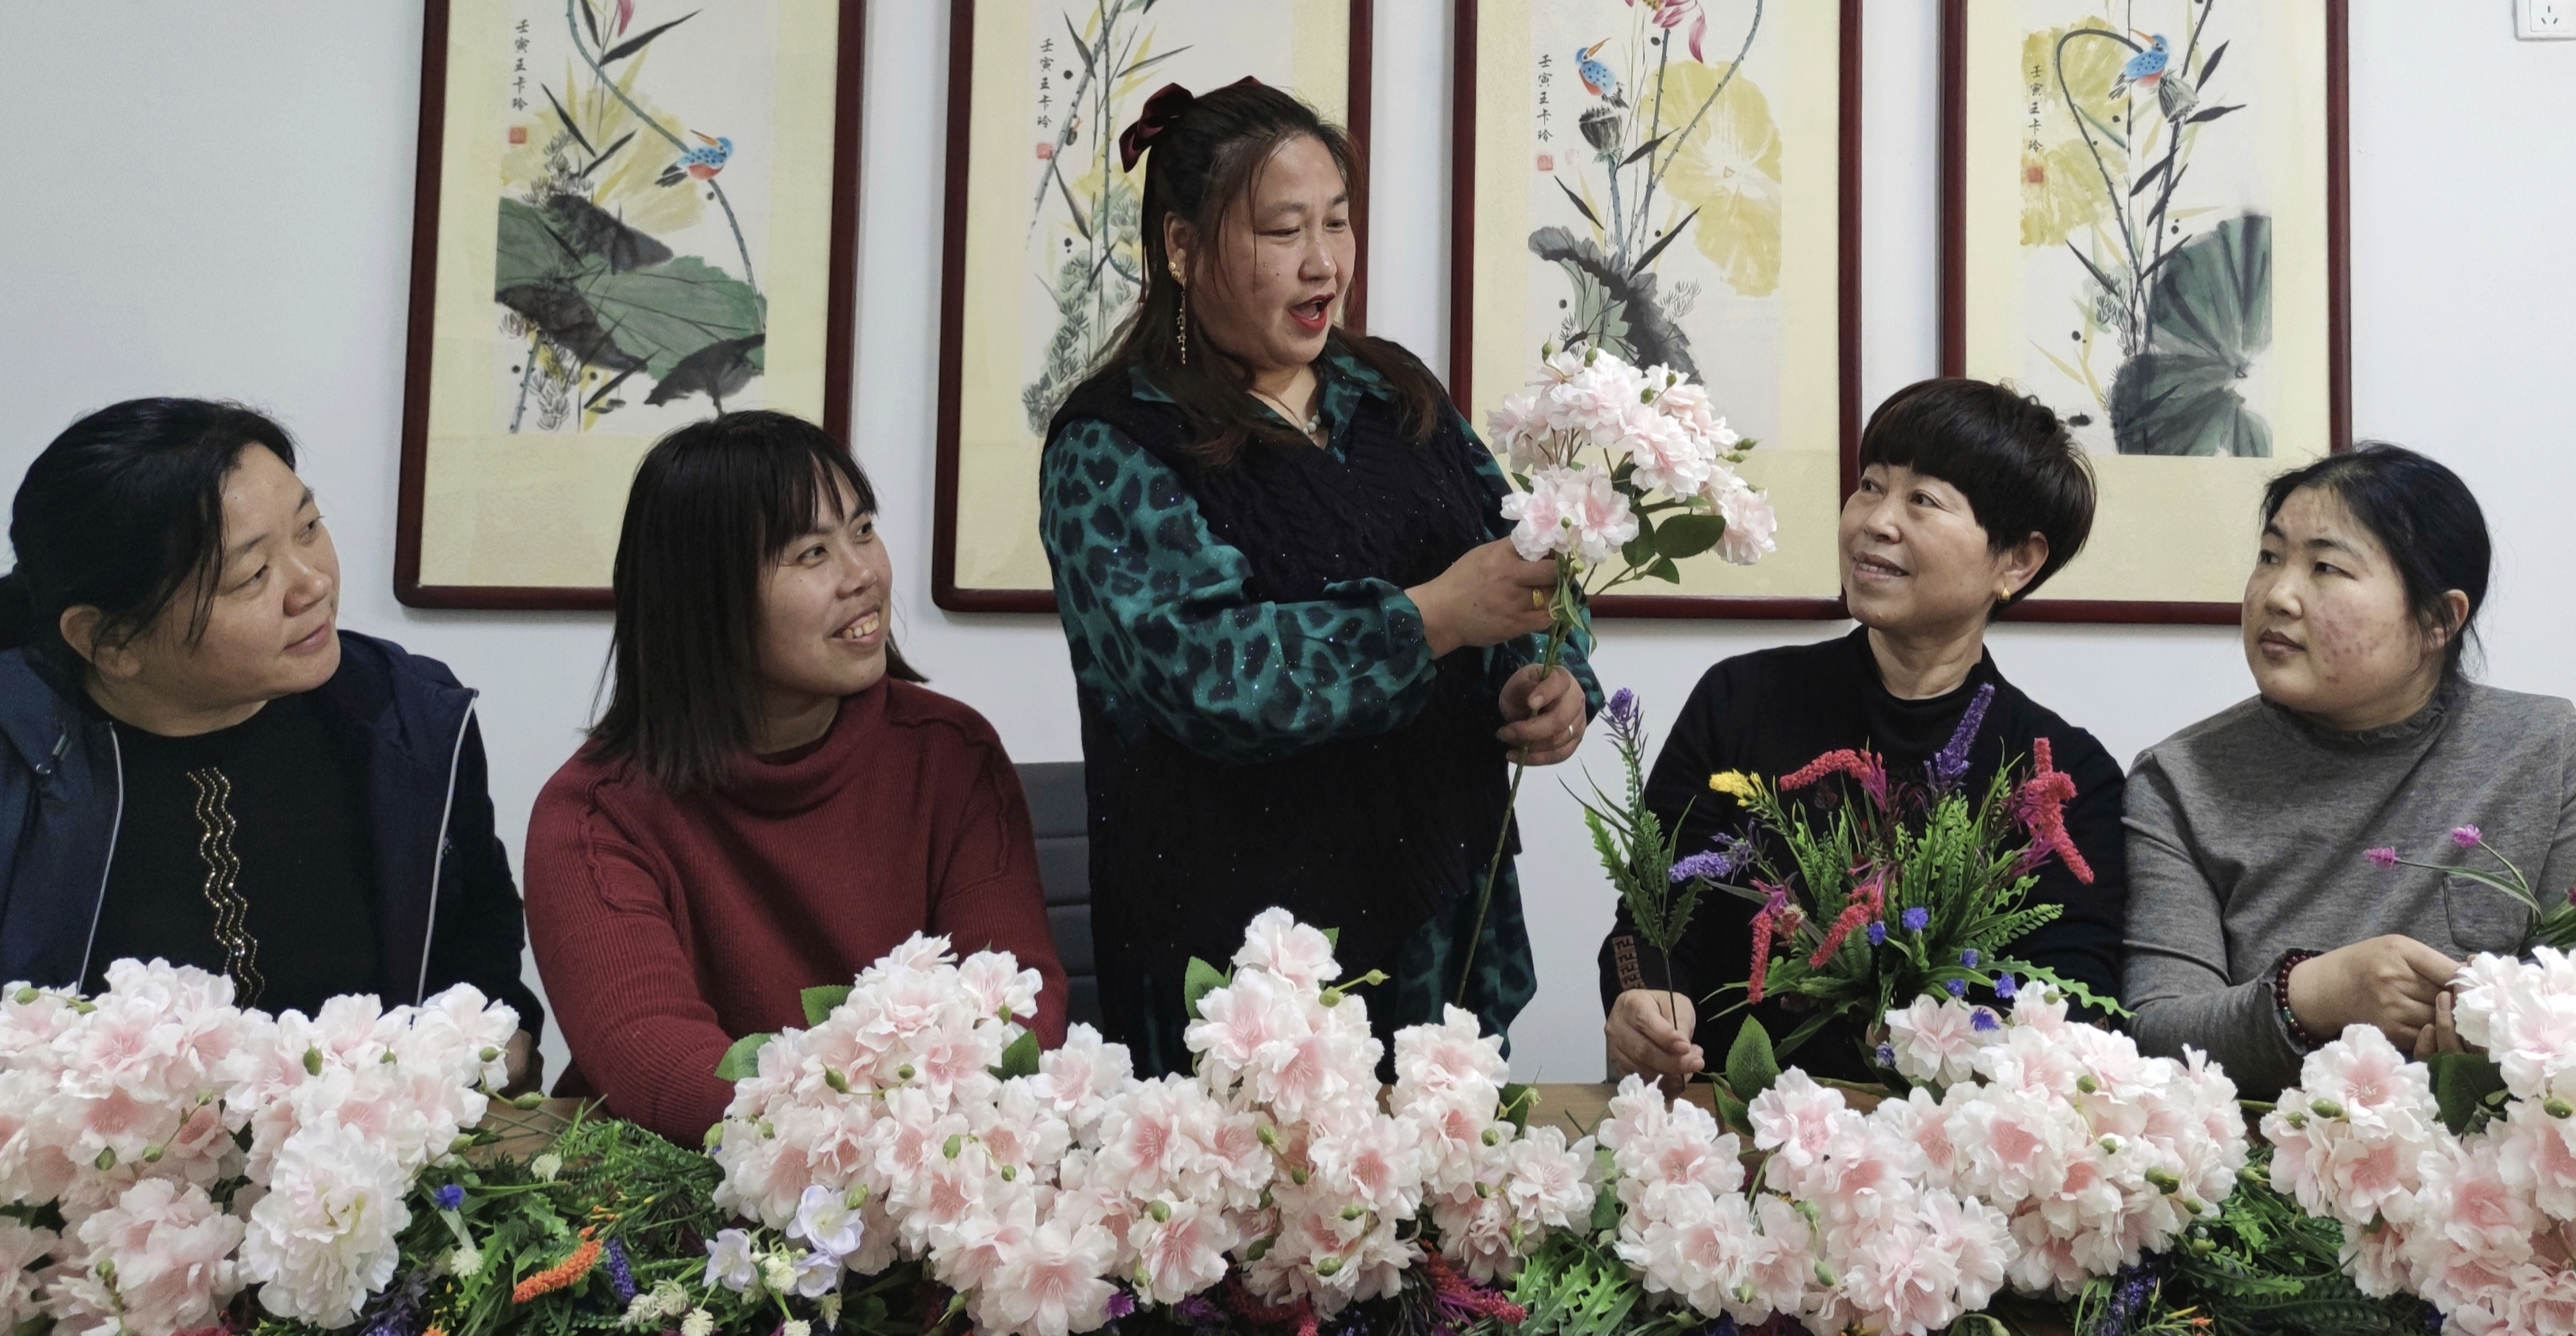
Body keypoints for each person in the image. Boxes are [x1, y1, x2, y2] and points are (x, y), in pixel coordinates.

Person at [1040, 78, 1592, 1077]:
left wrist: (1546, 675)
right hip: (1238, 958)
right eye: (1282, 229)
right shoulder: (1114, 442)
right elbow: (1208, 674)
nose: (1323, 261)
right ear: (1180, 246)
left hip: (1437, 911)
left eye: (1336, 221)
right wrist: (1430, 617)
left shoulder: (1393, 389)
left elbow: (1521, 560)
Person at [526, 412, 1064, 1143]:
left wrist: (896, 1147)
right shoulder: (593, 816)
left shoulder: (952, 755)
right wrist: (865, 1133)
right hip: (687, 1188)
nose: (864, 573)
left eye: (863, 529)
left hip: (923, 1173)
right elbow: (658, 1064)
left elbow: (1015, 1008)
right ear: (705, 595)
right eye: (813, 552)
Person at [1599, 378, 2127, 1087]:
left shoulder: (2063, 775)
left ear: (2017, 560)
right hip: (1738, 1127)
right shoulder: (1740, 699)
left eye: (1923, 500)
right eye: (1871, 485)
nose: (1876, 521)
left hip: (1955, 1142)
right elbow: (1651, 915)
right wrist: (1646, 1001)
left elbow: (2073, 1004)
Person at [0, 399, 541, 1078]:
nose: (312, 583)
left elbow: (477, 951)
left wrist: (494, 1041)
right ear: (110, 642)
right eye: (252, 575)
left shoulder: (410, 724)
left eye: (308, 527)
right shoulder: (18, 763)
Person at [2122, 442, 2576, 1096]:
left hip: (2497, 1149)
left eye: (2326, 567)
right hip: (2253, 1151)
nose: (2278, 594)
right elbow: (2155, 1036)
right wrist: (2312, 994)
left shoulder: (2551, 754)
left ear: (2438, 619)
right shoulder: (2179, 780)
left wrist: (2496, 1042)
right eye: (2269, 557)